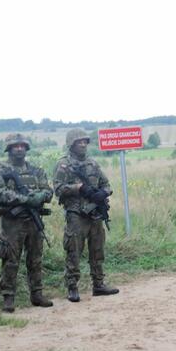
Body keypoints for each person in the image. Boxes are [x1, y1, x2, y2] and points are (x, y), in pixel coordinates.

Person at [53, 128, 119, 302]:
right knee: (74, 251)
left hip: (95, 214)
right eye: (79, 142)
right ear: (71, 144)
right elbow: (58, 189)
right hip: (76, 214)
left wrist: (102, 194)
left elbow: (106, 184)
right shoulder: (64, 164)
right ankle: (72, 287)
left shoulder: (93, 163)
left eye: (85, 141)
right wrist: (78, 188)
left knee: (97, 250)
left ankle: (99, 284)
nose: (83, 144)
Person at [0, 133, 54, 313]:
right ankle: (8, 297)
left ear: (26, 148)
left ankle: (37, 294)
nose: (19, 149)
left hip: (34, 220)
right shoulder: (0, 169)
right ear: (9, 149)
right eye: (15, 146)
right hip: (13, 222)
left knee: (35, 259)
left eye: (22, 146)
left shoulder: (36, 170)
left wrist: (39, 197)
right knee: (10, 259)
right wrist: (25, 199)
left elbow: (48, 191)